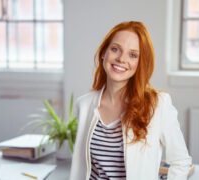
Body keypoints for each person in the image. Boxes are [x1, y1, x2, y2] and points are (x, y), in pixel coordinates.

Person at [70, 21, 192, 180]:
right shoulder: (84, 105)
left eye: (133, 55)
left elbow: (181, 161)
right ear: (103, 53)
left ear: (140, 63)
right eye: (115, 49)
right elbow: (84, 167)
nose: (121, 59)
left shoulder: (157, 105)